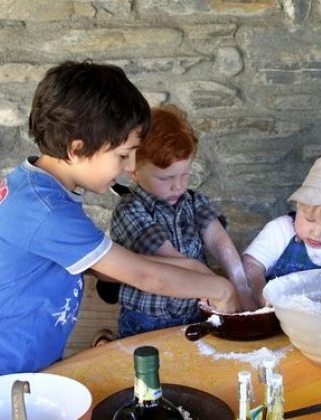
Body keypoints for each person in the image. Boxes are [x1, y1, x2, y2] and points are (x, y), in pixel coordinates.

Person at [0, 62, 238, 414]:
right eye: (123, 155)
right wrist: (219, 289)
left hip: (17, 362)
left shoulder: (44, 185)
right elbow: (142, 275)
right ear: (77, 149)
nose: (129, 166)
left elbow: (99, 262)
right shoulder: (46, 209)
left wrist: (186, 265)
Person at [110, 104, 257, 338]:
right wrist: (218, 289)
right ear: (134, 171)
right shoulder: (131, 210)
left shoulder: (192, 201)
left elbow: (218, 240)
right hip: (147, 322)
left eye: (185, 174)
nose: (178, 185)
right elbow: (170, 261)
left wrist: (241, 284)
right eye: (165, 177)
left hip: (193, 313)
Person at [242, 154, 321, 306]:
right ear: (299, 204)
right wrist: (260, 292)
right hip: (275, 318)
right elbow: (251, 265)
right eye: (310, 219)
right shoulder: (280, 232)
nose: (316, 233)